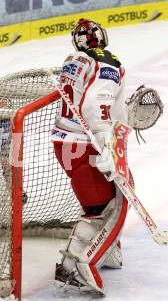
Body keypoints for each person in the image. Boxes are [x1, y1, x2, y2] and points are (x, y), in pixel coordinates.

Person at [51, 18, 132, 295]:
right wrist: (106, 143)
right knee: (113, 208)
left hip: (63, 142)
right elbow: (96, 106)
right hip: (87, 143)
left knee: (99, 203)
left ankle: (104, 252)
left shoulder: (73, 60)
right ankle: (79, 264)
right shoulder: (108, 61)